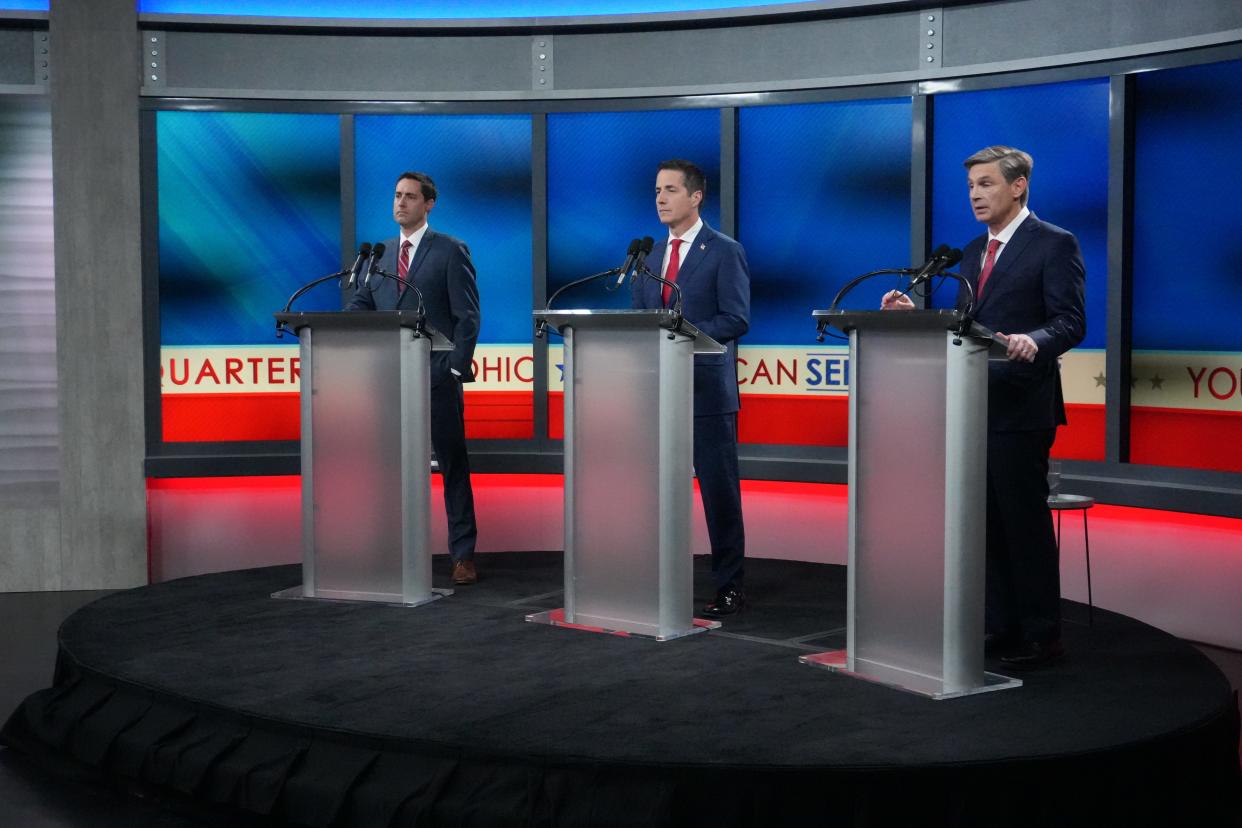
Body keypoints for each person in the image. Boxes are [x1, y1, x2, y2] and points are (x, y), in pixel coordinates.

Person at [882, 146, 1085, 667]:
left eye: (986, 183)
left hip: (1021, 407)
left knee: (1023, 524)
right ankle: (1000, 625)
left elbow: (1071, 321)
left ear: (1018, 186)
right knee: (985, 524)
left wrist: (1035, 339)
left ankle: (1043, 635)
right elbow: (964, 323)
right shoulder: (971, 252)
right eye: (971, 184)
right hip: (972, 404)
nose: (975, 193)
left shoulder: (1054, 244)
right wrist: (914, 313)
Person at [346, 171, 481, 585]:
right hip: (390, 379)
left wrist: (456, 368)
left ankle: (462, 555)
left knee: (451, 466)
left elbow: (467, 316)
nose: (400, 203)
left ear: (428, 204)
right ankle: (391, 548)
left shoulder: (450, 250)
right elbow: (362, 304)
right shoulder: (378, 255)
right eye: (396, 196)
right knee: (390, 467)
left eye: (409, 197)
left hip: (437, 376)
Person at [632, 159, 751, 617]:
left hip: (705, 394)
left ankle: (730, 586)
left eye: (670, 190)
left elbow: (736, 318)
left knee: (720, 495)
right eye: (657, 190)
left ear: (696, 196)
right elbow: (642, 321)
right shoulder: (646, 258)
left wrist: (681, 335)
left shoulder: (723, 250)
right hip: (657, 396)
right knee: (655, 492)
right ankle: (655, 576)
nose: (660, 198)